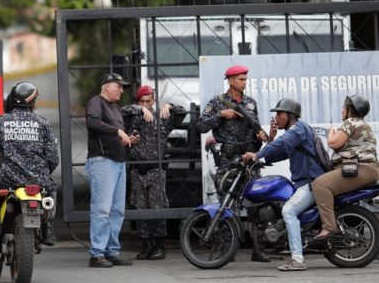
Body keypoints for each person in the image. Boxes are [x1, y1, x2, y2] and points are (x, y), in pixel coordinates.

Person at [0, 83, 59, 255]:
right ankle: (47, 229)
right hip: (38, 180)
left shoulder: (1, 123)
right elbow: (53, 158)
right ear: (32, 102)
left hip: (7, 179)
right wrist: (42, 174)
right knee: (50, 190)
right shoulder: (42, 123)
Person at [197, 64, 270, 262]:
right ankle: (227, 251)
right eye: (241, 79)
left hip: (248, 159)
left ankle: (258, 249)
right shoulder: (217, 103)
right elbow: (201, 125)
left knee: (257, 204)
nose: (244, 83)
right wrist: (221, 115)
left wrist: (261, 135)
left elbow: (256, 129)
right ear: (230, 81)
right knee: (226, 206)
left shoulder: (251, 103)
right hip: (228, 160)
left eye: (245, 79)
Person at [242, 98, 326, 271]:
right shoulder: (293, 135)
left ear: (290, 115)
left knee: (288, 210)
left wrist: (257, 154)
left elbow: (281, 143)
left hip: (312, 183)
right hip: (304, 183)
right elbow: (276, 154)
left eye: (279, 113)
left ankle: (297, 259)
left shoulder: (298, 129)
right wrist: (268, 144)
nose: (276, 117)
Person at [121, 85, 185, 260]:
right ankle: (146, 244)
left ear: (154, 101)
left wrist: (169, 105)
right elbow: (122, 110)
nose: (146, 104)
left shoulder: (161, 118)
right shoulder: (133, 118)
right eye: (142, 101)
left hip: (156, 170)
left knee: (158, 207)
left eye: (148, 101)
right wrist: (140, 109)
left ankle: (159, 245)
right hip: (137, 169)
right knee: (140, 208)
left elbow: (182, 112)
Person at [85, 73, 139, 268]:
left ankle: (111, 251)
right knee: (102, 210)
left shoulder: (115, 108)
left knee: (117, 211)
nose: (122, 90)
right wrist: (118, 131)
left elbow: (115, 133)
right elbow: (92, 122)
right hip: (102, 161)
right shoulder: (95, 102)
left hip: (117, 161)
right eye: (119, 86)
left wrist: (128, 139)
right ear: (107, 86)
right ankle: (97, 254)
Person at [312, 95, 379, 242]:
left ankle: (329, 227)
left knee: (320, 184)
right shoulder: (361, 123)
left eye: (344, 108)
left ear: (350, 109)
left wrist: (331, 132)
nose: (342, 110)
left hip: (361, 168)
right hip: (368, 169)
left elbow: (334, 143)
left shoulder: (351, 122)